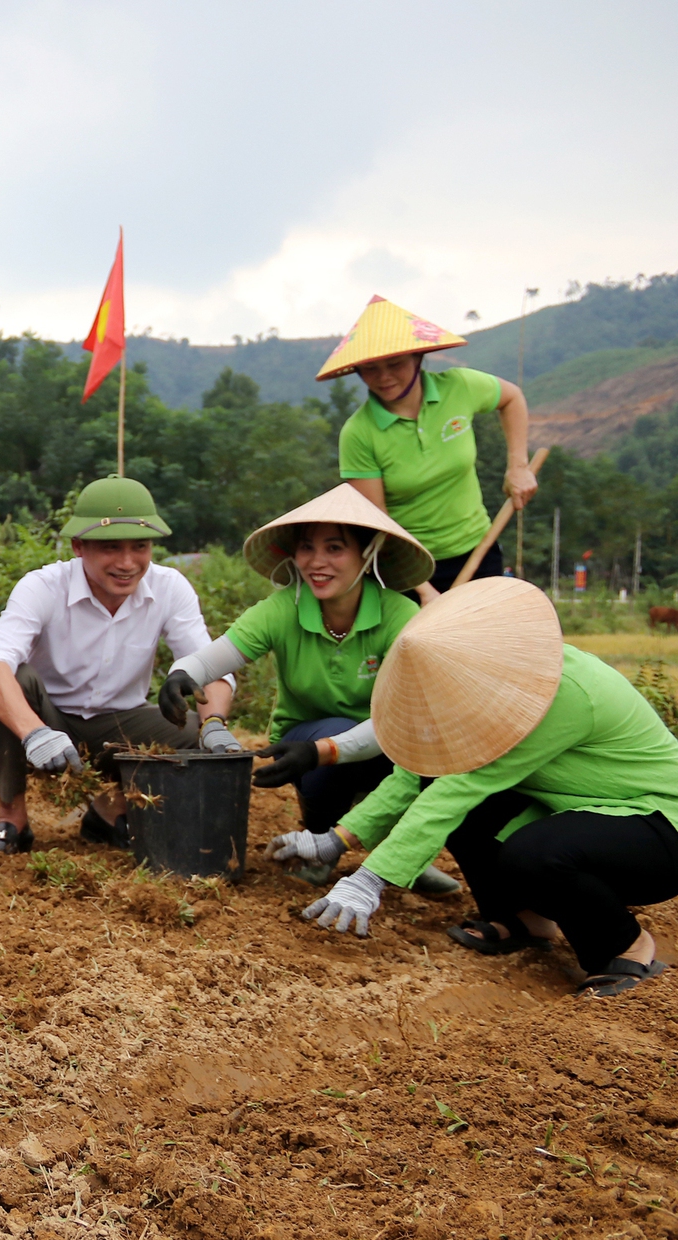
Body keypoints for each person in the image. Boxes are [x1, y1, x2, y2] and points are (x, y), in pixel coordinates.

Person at [295, 578, 678, 998]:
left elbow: (460, 786)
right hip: (587, 809)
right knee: (459, 800)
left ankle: (627, 947)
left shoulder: (562, 690)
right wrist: (338, 838)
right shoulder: (488, 692)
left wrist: (371, 878)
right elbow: (417, 774)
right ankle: (525, 918)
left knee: (536, 853)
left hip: (657, 827)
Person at [159, 484, 459, 896]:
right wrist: (181, 674)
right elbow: (215, 657)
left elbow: (400, 721)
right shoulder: (284, 608)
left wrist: (325, 751)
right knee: (331, 733)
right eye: (306, 548)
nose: (316, 563)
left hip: (387, 738)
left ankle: (397, 852)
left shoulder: (400, 617)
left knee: (424, 752)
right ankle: (321, 842)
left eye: (334, 548)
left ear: (367, 554)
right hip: (306, 740)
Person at [0, 477, 239, 855]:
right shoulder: (43, 586)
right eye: (111, 548)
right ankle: (12, 818)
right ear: (79, 547)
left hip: (121, 724)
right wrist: (34, 733)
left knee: (197, 732)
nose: (127, 563)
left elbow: (209, 665)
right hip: (51, 720)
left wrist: (215, 725)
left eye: (140, 547)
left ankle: (109, 810)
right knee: (11, 677)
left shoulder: (169, 588)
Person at [320, 296, 538, 600]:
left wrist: (518, 466)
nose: (384, 377)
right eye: (370, 368)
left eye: (395, 364)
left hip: (478, 549)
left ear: (418, 358)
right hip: (408, 569)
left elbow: (512, 398)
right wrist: (423, 590)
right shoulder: (358, 433)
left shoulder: (460, 387)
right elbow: (376, 521)